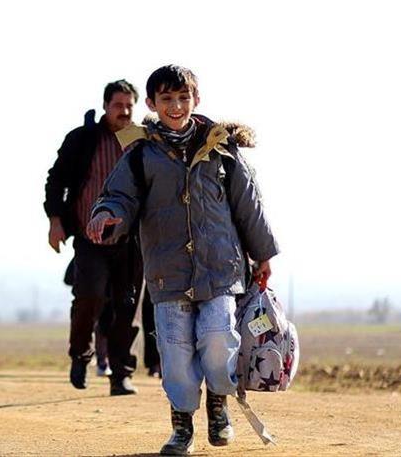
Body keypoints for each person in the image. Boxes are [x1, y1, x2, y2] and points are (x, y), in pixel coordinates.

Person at [87, 65, 278, 455]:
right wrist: (107, 214)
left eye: (183, 98)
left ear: (196, 99)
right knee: (175, 355)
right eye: (166, 99)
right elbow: (119, 195)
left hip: (220, 270)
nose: (176, 106)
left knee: (219, 339)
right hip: (167, 274)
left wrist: (262, 253)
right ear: (152, 103)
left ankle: (219, 403)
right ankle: (182, 427)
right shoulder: (141, 154)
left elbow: (248, 204)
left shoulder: (222, 147)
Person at [44, 80, 144, 395]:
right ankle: (80, 355)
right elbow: (56, 180)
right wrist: (55, 221)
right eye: (118, 105)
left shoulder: (143, 142)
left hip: (132, 241)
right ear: (105, 106)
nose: (124, 112)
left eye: (129, 106)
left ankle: (121, 374)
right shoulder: (82, 139)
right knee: (89, 297)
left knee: (126, 307)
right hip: (90, 238)